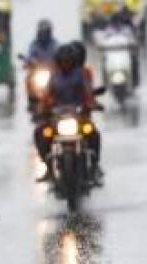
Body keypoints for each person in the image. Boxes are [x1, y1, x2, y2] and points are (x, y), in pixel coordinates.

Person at [34, 44, 103, 183]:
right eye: (63, 61)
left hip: (78, 116)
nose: (66, 64)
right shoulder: (54, 76)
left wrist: (92, 104)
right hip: (57, 117)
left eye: (69, 61)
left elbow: (88, 92)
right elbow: (46, 94)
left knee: (93, 134)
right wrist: (42, 108)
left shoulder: (81, 74)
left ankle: (95, 166)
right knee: (40, 133)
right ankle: (48, 167)